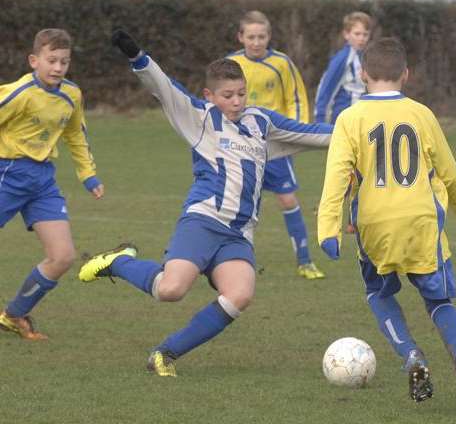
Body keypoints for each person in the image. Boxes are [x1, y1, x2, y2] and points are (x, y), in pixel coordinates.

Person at [78, 31, 332, 377]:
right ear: (210, 95)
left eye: (241, 93)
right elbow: (163, 86)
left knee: (239, 295)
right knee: (170, 290)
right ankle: (119, 262)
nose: (237, 101)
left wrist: (358, 132)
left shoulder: (262, 123)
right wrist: (136, 55)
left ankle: (165, 353)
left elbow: (312, 133)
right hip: (203, 221)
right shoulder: (200, 118)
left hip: (238, 235)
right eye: (228, 95)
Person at [317, 37, 456, 417]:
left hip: (374, 224)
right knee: (439, 301)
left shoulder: (349, 118)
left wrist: (328, 231)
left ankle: (411, 355)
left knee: (379, 294)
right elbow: (452, 176)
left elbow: (336, 178)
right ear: (406, 75)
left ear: (363, 75)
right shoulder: (421, 114)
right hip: (422, 223)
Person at [0, 28, 103, 340]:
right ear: (34, 60)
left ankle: (14, 315)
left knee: (63, 256)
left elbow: (75, 134)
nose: (58, 68)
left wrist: (88, 175)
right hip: (7, 174)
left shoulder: (71, 94)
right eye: (51, 60)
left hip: (42, 180)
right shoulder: (19, 93)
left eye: (64, 62)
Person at [227, 10, 325, 280]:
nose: (256, 42)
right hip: (241, 146)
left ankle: (305, 261)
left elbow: (296, 99)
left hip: (275, 144)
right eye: (251, 37)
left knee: (287, 198)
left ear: (269, 36)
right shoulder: (230, 63)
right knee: (243, 203)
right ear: (241, 37)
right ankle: (237, 263)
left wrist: (295, 136)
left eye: (261, 36)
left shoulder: (282, 63)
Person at [314, 11, 372, 124]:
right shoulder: (342, 59)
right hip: (342, 117)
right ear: (346, 34)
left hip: (361, 118)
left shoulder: (365, 56)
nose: (361, 38)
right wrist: (320, 120)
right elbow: (326, 88)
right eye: (357, 34)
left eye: (365, 34)